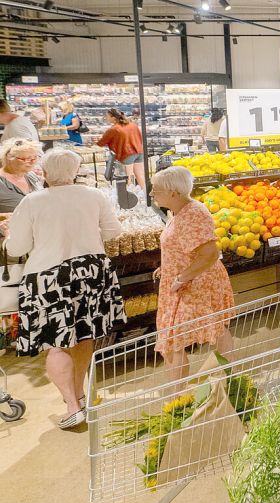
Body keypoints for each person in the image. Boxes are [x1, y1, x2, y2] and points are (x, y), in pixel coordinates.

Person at [3, 149, 124, 429]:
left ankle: (71, 405)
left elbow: (16, 248)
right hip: (92, 271)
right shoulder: (93, 195)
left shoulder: (33, 201)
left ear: (43, 173)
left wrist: (10, 234)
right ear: (75, 170)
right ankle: (81, 396)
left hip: (48, 277)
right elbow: (113, 232)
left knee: (55, 344)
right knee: (85, 336)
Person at [149, 166, 235, 382]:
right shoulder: (178, 211)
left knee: (174, 339)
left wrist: (180, 277)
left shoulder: (193, 214)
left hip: (195, 285)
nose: (151, 194)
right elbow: (184, 246)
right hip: (187, 283)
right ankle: (225, 379)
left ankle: (180, 397)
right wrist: (167, 266)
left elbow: (209, 254)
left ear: (173, 193)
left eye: (155, 189)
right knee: (211, 330)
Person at [97, 108, 146, 191]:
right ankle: (145, 194)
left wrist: (96, 140)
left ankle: (129, 197)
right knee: (140, 175)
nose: (106, 118)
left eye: (107, 116)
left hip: (126, 153)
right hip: (139, 151)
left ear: (113, 118)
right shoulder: (132, 125)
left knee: (128, 177)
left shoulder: (113, 129)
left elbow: (101, 143)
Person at [0, 138, 43, 213]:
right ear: (9, 158)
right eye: (26, 159)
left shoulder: (31, 175)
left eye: (34, 158)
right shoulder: (2, 182)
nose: (32, 162)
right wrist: (4, 216)